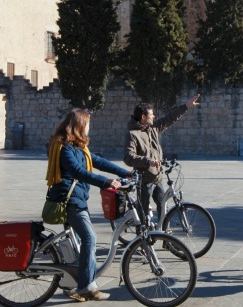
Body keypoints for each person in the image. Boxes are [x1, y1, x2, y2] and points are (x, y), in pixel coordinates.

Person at [45, 109, 131, 302]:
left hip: (78, 199)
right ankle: (86, 286)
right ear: (79, 125)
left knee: (81, 241)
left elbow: (97, 161)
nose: (90, 127)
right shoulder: (64, 148)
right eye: (88, 123)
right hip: (69, 201)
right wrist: (106, 182)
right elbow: (77, 171)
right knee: (90, 238)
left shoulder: (78, 147)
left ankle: (75, 284)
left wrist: (125, 173)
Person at [123, 94, 200, 227]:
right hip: (143, 179)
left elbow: (169, 119)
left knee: (163, 207)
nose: (153, 116)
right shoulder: (132, 135)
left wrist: (186, 106)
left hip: (157, 177)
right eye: (151, 115)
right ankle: (142, 242)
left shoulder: (152, 128)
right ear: (143, 117)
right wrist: (148, 161)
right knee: (143, 214)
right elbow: (128, 157)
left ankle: (165, 238)